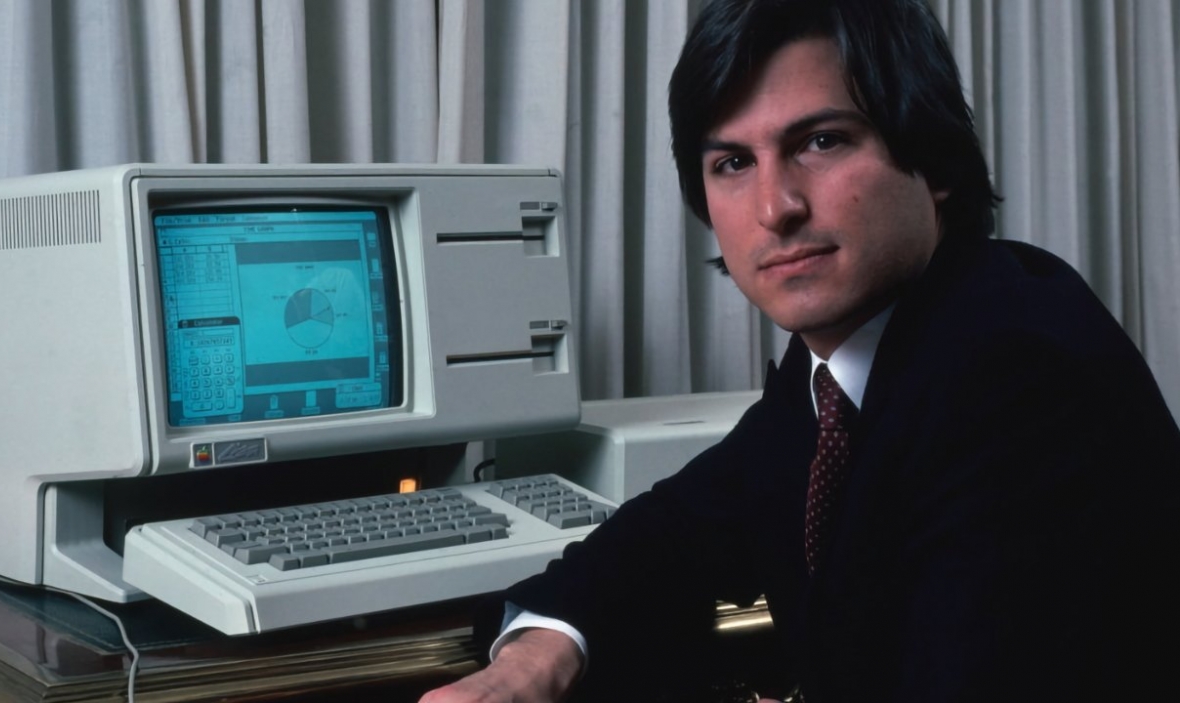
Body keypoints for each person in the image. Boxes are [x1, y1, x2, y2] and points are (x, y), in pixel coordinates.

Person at [421, 0, 1180, 700]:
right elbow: (687, 523)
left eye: (821, 141)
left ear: (935, 162)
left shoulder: (1018, 372)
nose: (775, 208)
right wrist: (536, 653)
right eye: (733, 163)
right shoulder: (840, 366)